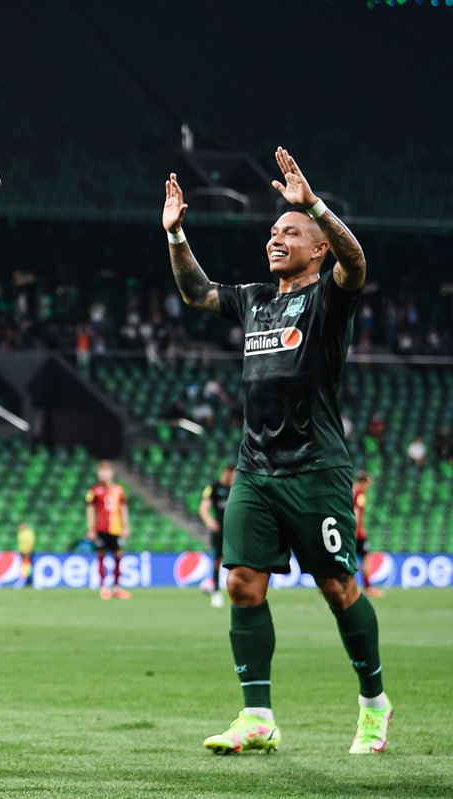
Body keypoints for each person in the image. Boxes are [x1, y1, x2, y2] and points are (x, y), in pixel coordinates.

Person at [163, 147, 390, 755]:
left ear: (317, 248)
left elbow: (356, 262)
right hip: (256, 469)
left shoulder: (330, 297)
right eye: (272, 231)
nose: (276, 238)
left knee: (337, 588)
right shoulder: (256, 299)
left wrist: (313, 205)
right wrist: (177, 234)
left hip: (315, 468)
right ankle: (257, 715)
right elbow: (197, 292)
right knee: (241, 582)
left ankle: (374, 704)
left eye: (290, 232)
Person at [85, 460, 130, 600]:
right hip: (101, 528)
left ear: (111, 473)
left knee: (118, 556)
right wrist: (91, 529)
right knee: (101, 556)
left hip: (116, 529)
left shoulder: (119, 490)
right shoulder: (94, 491)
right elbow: (90, 510)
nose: (103, 474)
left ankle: (116, 587)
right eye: (101, 471)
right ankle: (104, 587)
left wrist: (126, 526)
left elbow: (123, 508)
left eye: (106, 471)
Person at [199, 464, 236, 608]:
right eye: (231, 474)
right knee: (217, 560)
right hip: (219, 530)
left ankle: (237, 591)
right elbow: (203, 508)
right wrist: (209, 521)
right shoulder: (213, 487)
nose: (233, 477)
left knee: (237, 560)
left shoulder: (237, 488)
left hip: (234, 530)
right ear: (226, 473)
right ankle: (216, 592)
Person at [352, 473, 383, 599]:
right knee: (364, 559)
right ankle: (368, 587)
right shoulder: (359, 494)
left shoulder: (349, 492)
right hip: (357, 534)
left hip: (349, 532)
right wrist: (357, 530)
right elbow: (356, 512)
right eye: (368, 484)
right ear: (363, 482)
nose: (368, 487)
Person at [16, 521, 36, 589]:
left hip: (27, 552)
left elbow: (30, 542)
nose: (20, 527)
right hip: (22, 552)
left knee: (26, 566)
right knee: (25, 566)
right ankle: (28, 581)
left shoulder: (28, 533)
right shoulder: (20, 532)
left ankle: (24, 581)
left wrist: (28, 551)